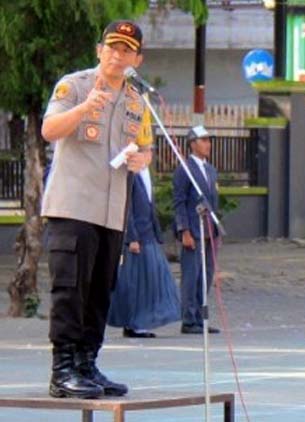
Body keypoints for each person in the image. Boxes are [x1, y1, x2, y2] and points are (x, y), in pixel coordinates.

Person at [41, 20, 150, 399]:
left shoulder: (137, 101)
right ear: (99, 50)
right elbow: (50, 129)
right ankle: (63, 370)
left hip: (111, 213)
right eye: (112, 48)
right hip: (73, 208)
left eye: (126, 50)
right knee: (70, 292)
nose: (117, 56)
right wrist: (85, 108)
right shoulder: (75, 86)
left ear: (137, 58)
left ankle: (87, 363)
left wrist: (142, 158)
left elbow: (144, 146)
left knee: (100, 291)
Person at [108, 167, 180, 338]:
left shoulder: (145, 173)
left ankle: (141, 321)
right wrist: (131, 236)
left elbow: (148, 205)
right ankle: (135, 323)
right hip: (137, 237)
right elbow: (126, 208)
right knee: (137, 283)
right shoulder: (129, 174)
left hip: (148, 234)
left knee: (151, 280)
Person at [173, 126, 221, 335]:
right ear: (192, 143)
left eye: (208, 140)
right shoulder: (185, 169)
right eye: (203, 140)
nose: (207, 144)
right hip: (193, 228)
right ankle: (188, 319)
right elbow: (179, 201)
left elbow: (213, 201)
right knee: (191, 275)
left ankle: (201, 317)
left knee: (206, 275)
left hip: (210, 229)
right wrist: (184, 230)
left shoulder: (210, 170)